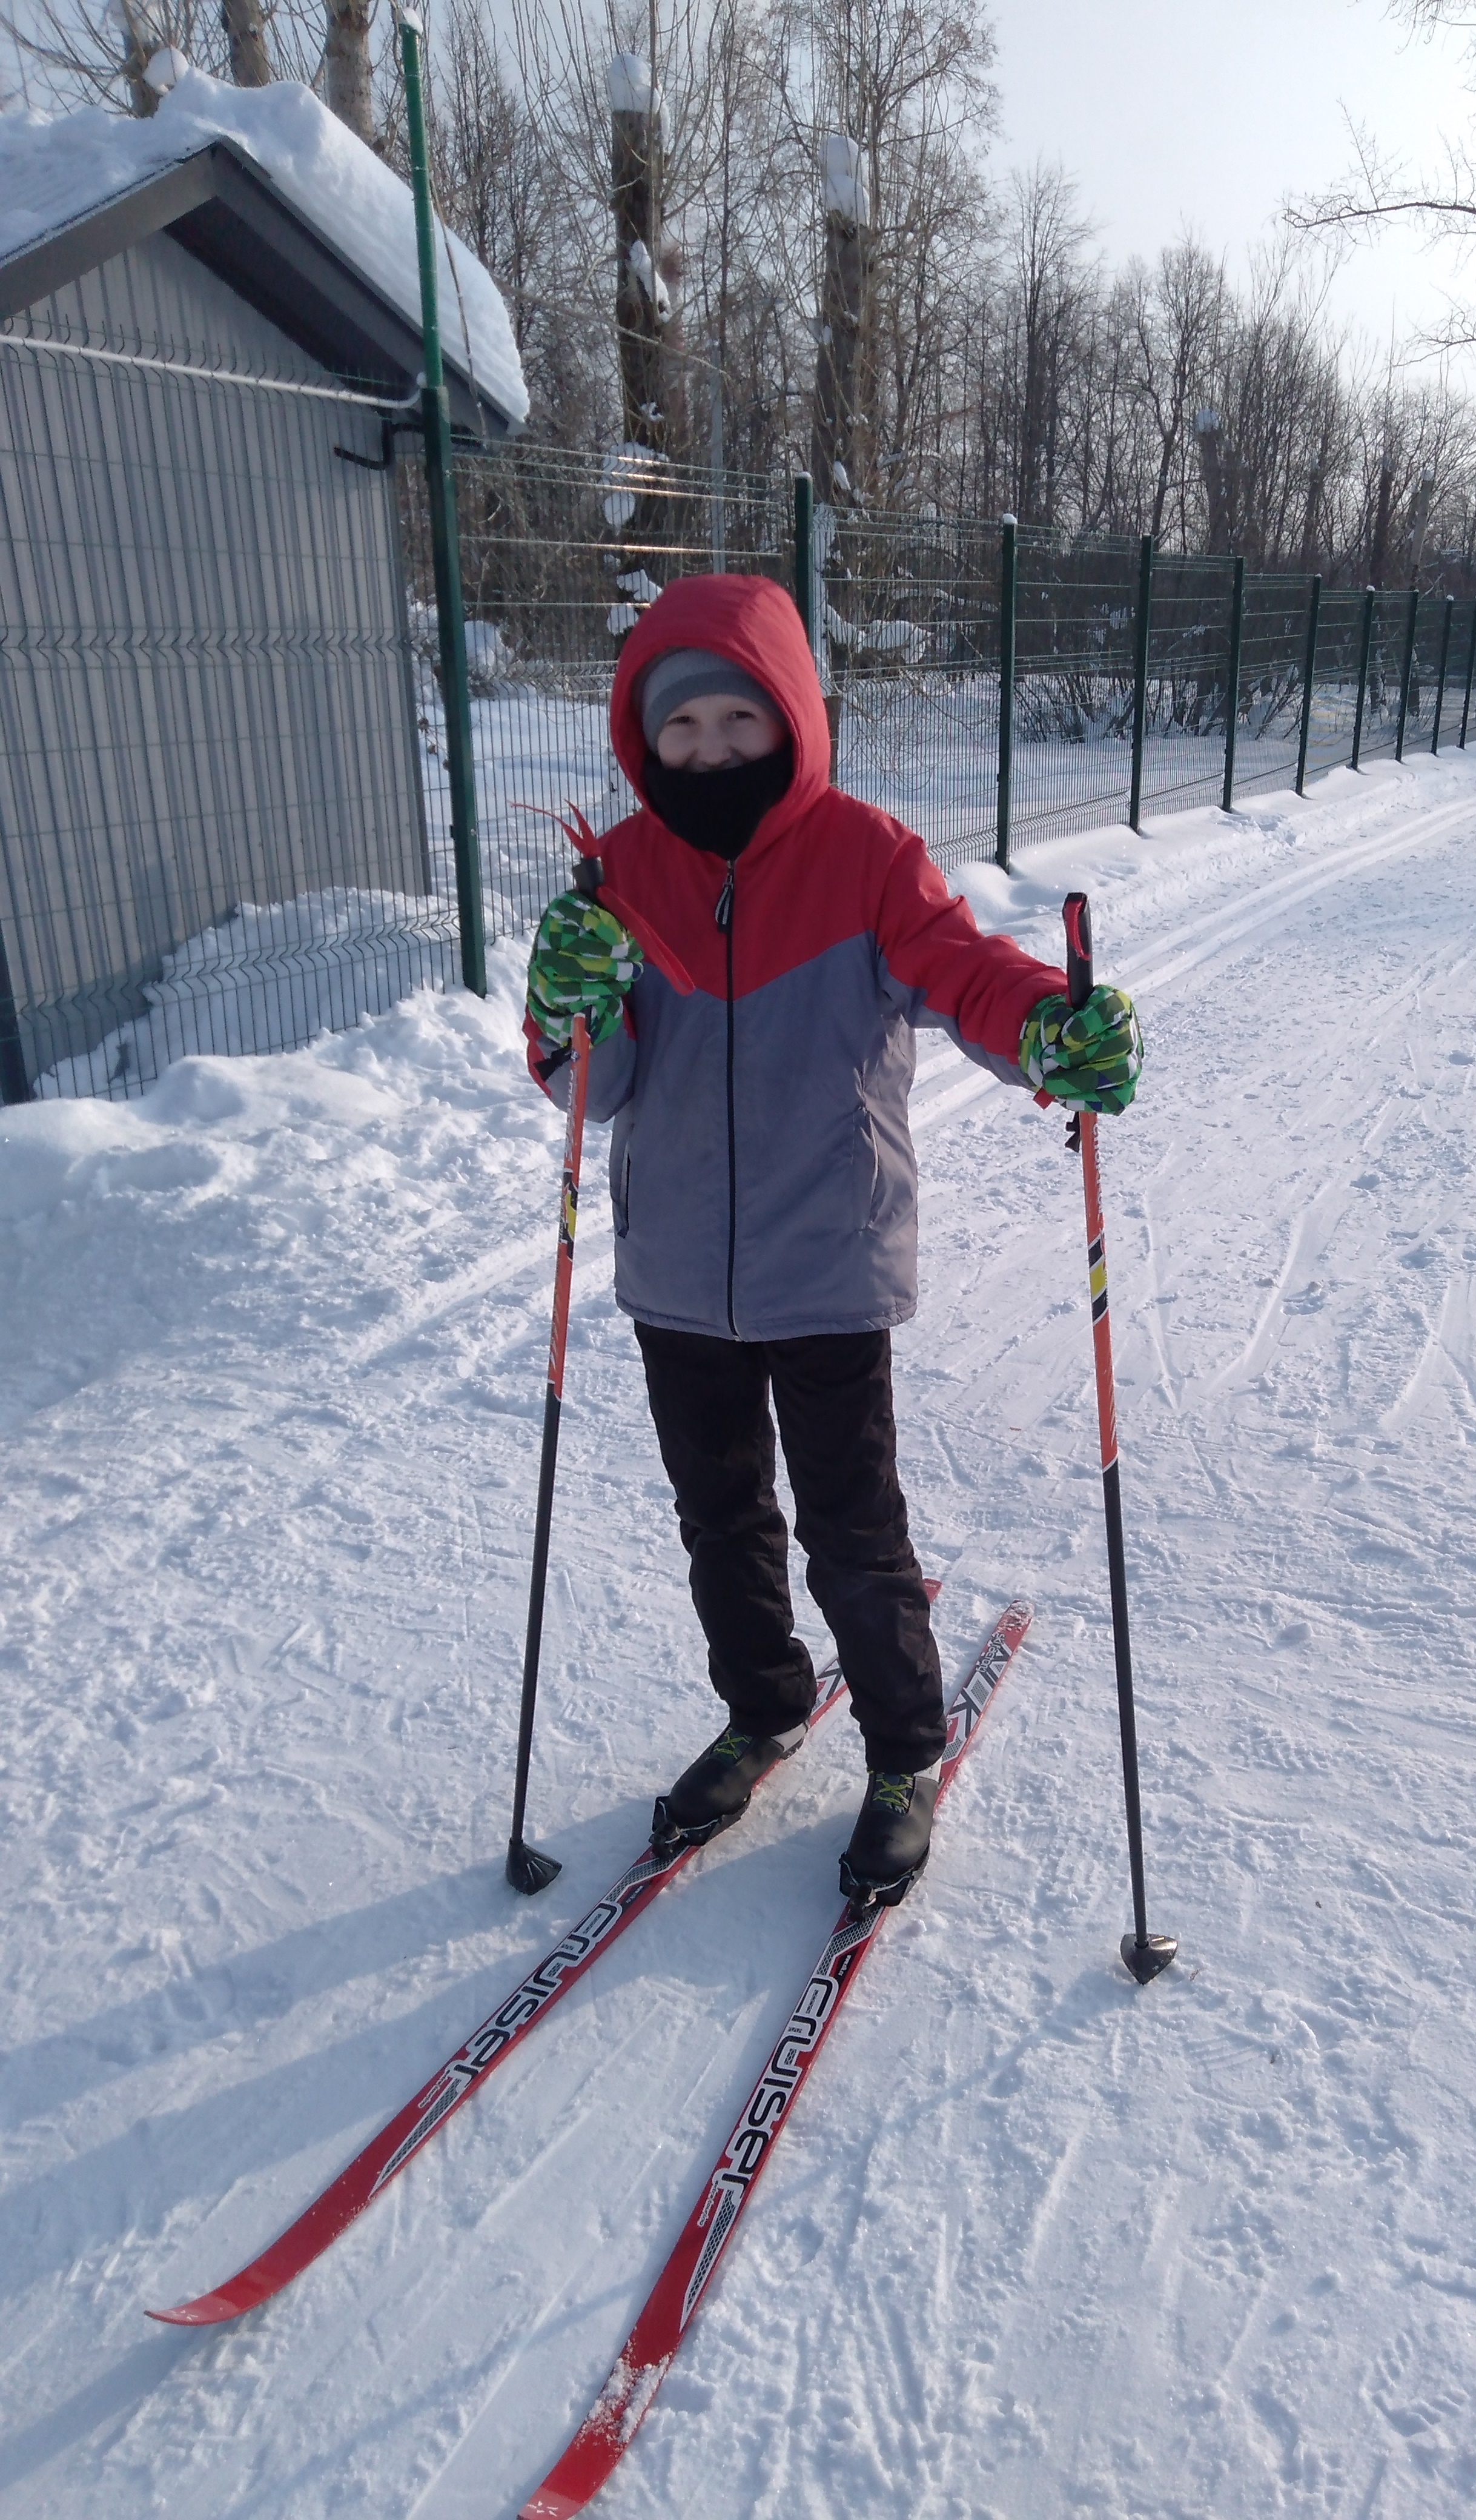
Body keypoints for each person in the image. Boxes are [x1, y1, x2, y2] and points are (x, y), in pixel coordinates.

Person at [523, 572, 1142, 1908]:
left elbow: (967, 971)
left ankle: (904, 1756)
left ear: (792, 716)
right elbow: (594, 1083)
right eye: (679, 728)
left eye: (737, 720)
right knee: (720, 1516)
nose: (709, 751)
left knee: (852, 1528)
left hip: (827, 1263)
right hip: (677, 1273)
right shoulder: (617, 875)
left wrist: (1048, 1028)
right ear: (643, 736)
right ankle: (766, 1703)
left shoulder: (867, 858)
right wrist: (570, 1003)